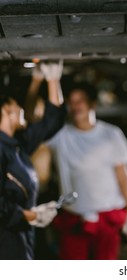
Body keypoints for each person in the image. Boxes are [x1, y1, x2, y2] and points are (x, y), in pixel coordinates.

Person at [46, 82, 127, 260]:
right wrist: (53, 80)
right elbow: (45, 118)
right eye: (71, 102)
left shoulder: (111, 134)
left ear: (92, 104)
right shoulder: (60, 135)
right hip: (73, 219)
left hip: (107, 218)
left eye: (80, 100)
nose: (75, 106)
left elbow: (123, 175)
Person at [0, 62, 66, 260]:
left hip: (20, 236)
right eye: (16, 105)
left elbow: (51, 122)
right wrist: (33, 215)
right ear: (6, 111)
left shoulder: (16, 145)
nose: (21, 109)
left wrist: (53, 79)